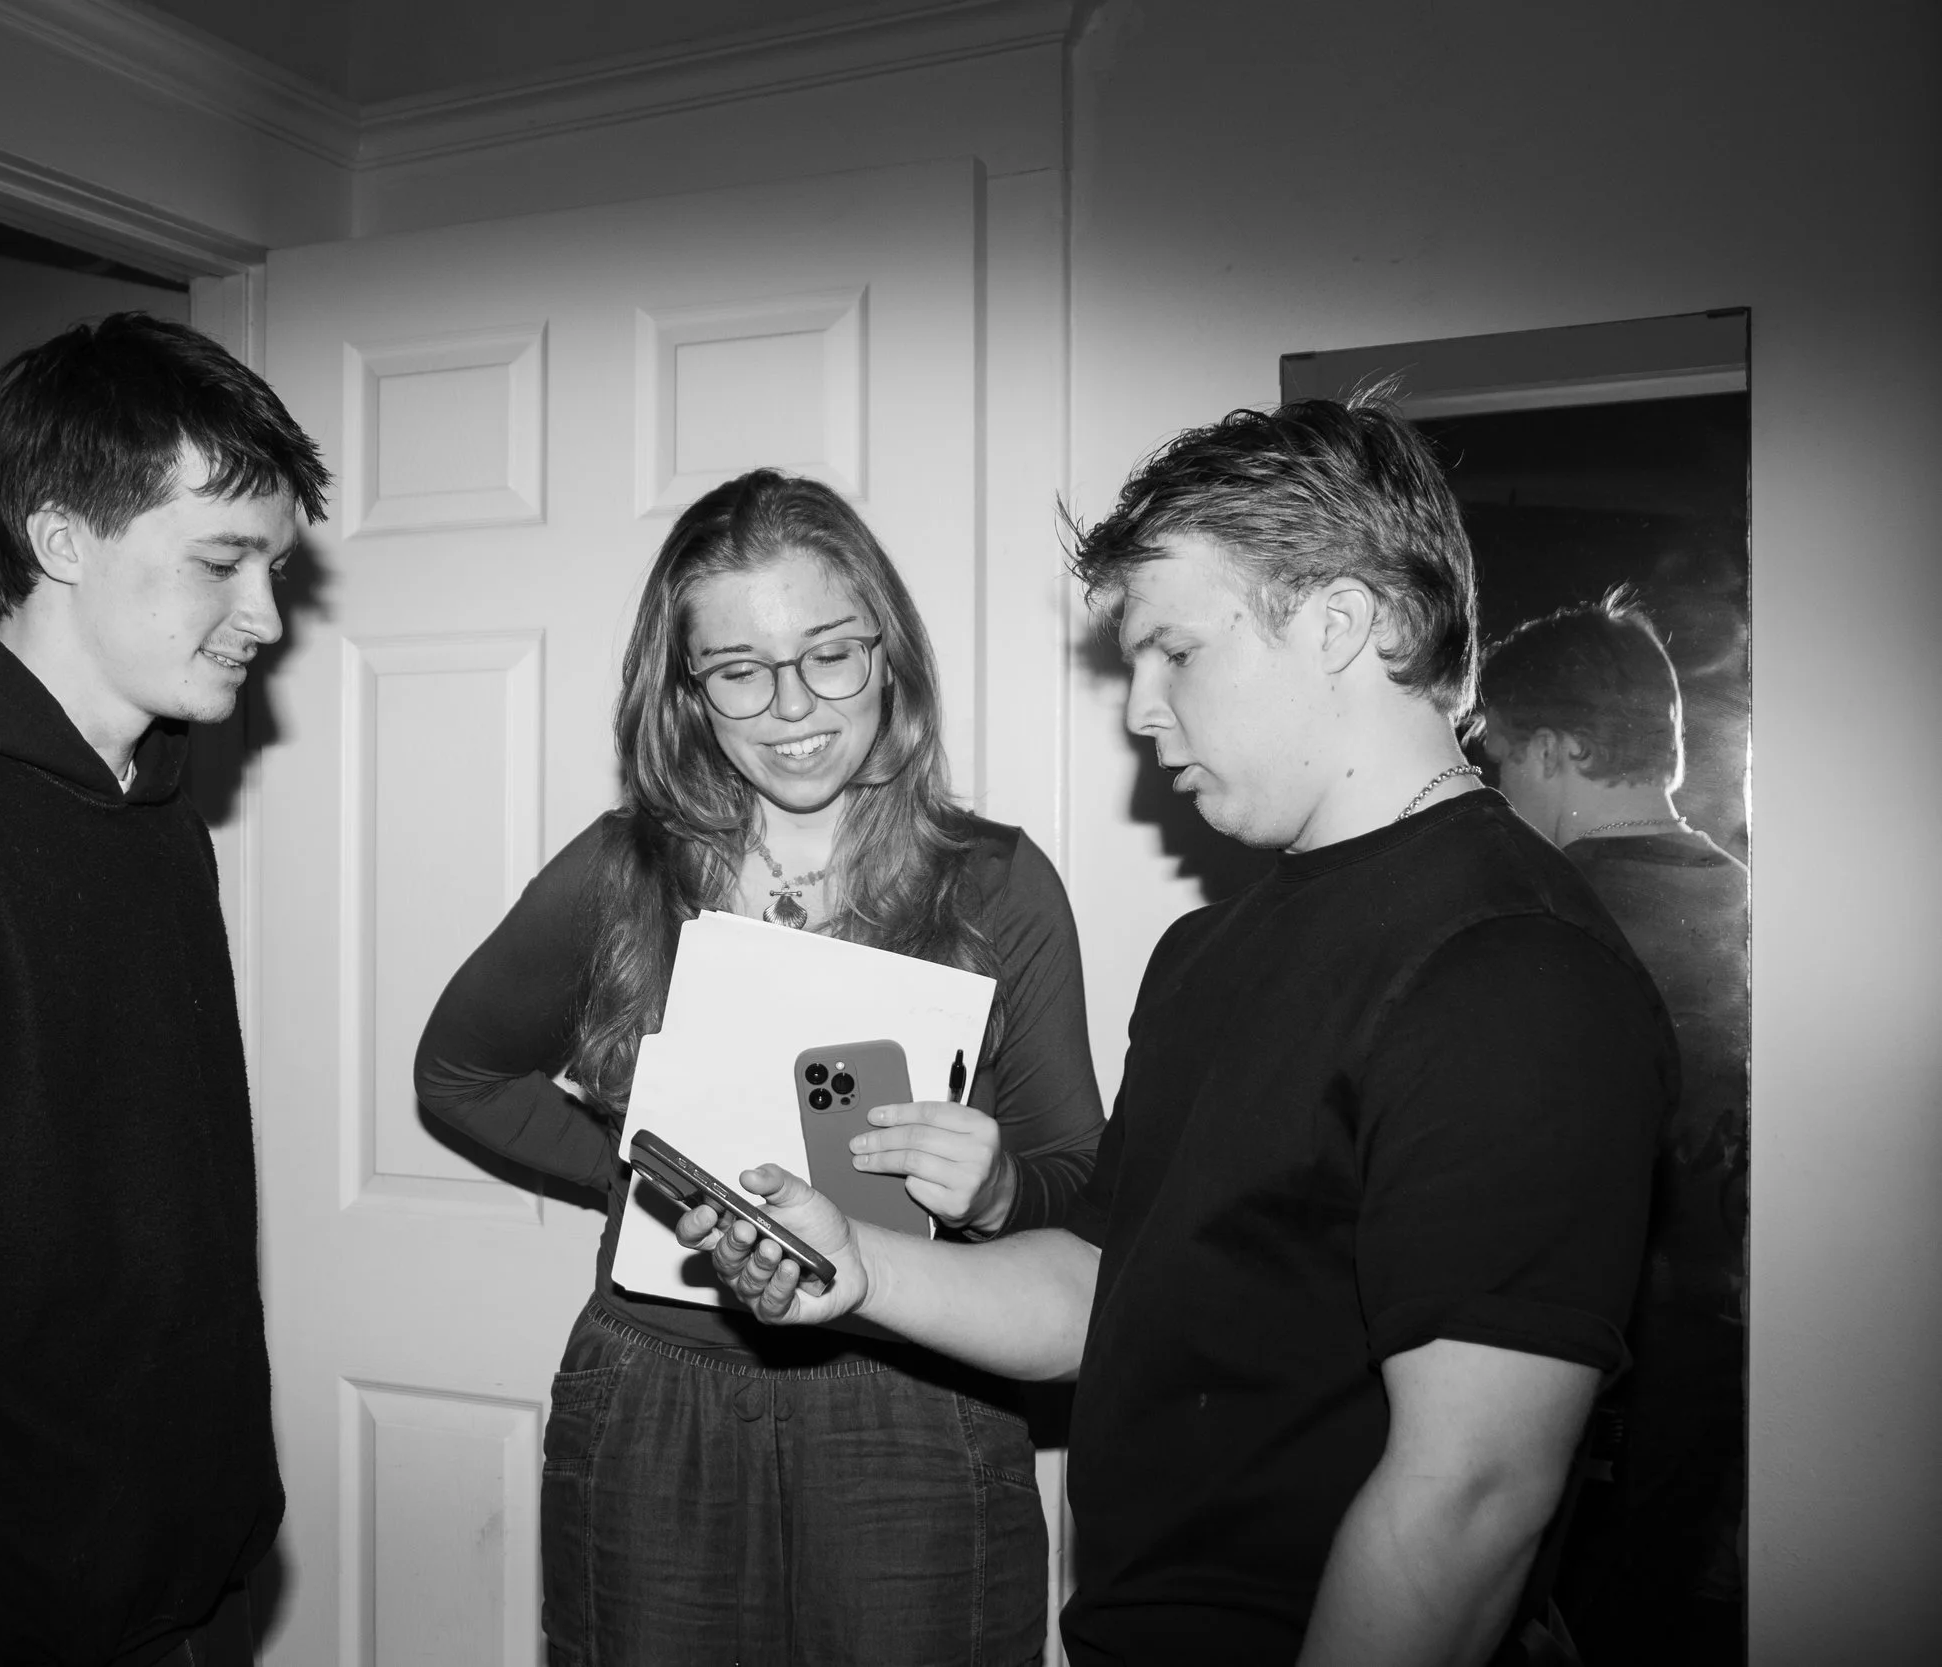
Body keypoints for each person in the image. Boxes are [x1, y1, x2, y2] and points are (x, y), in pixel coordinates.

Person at [685, 400, 1678, 1666]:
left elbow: (1469, 1499)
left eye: (1175, 653)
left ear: (1338, 622)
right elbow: (1111, 1287)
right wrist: (861, 1270)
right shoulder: (1204, 950)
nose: (1141, 711)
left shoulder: (1510, 969)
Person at [414, 469, 1105, 1667]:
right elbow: (461, 1072)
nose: (793, 705)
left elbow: (1082, 1182)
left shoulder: (996, 882)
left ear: (886, 654)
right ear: (684, 692)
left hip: (921, 1393)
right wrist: (640, 1179)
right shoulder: (619, 871)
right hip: (658, 1385)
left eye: (830, 654)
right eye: (739, 669)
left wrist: (997, 1193)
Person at [0, 312, 330, 1666]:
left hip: (196, 1569)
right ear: (62, 537)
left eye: (277, 564)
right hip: (7, 1617)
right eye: (223, 560)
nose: (268, 616)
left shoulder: (156, 797)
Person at [1478, 593, 1750, 1663]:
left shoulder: (1538, 920)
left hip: (1588, 1369)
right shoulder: (1757, 906)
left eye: (1500, 762)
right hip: (1735, 1365)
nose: (1496, 791)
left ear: (1553, 750)